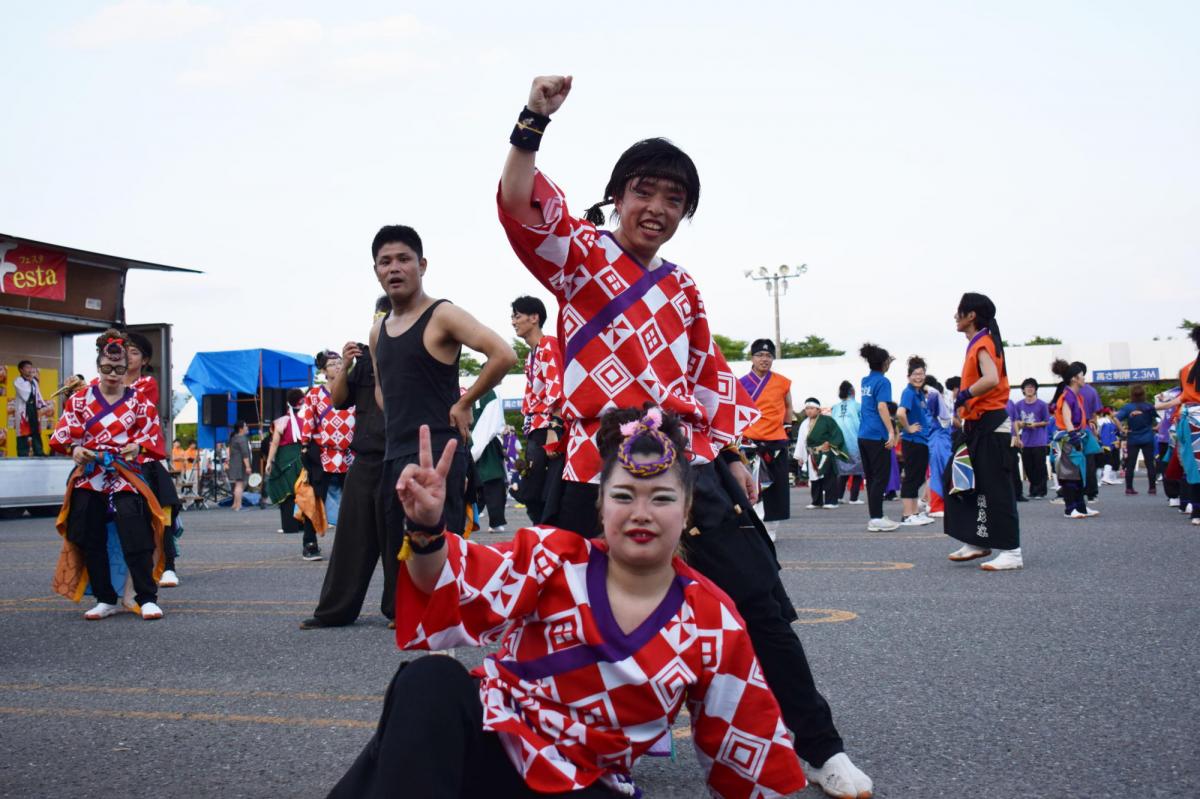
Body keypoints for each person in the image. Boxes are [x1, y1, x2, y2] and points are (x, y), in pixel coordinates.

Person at [497, 76, 871, 798]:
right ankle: (576, 753)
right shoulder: (576, 255)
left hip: (684, 466)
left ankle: (817, 744)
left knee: (759, 600)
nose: (659, 209)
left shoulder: (685, 288)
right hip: (589, 466)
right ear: (616, 196)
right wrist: (534, 118)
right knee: (568, 614)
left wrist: (728, 453)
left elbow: (708, 374)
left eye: (676, 200)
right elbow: (518, 200)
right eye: (646, 192)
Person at [328, 410, 807, 799]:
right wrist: (428, 531)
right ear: (601, 505)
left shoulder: (713, 622)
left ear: (686, 511)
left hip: (582, 782)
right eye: (623, 495)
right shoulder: (552, 557)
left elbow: (748, 754)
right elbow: (449, 583)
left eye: (661, 498)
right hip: (493, 743)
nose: (641, 513)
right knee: (429, 681)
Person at [369, 224, 516, 587]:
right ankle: (411, 627)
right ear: (376, 271)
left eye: (404, 259)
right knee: (398, 561)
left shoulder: (442, 314)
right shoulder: (377, 331)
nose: (394, 268)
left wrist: (466, 401)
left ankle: (445, 632)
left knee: (438, 557)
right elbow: (381, 388)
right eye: (385, 262)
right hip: (393, 453)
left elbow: (504, 354)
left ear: (422, 265)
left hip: (438, 452)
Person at [49, 330, 167, 620]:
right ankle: (104, 597)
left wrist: (137, 445)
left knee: (134, 529)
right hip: (90, 474)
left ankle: (145, 596)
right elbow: (62, 435)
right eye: (106, 368)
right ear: (98, 367)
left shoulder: (139, 400)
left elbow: (153, 436)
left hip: (125, 472)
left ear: (128, 369)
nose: (113, 374)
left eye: (119, 369)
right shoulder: (79, 400)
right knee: (90, 533)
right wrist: (75, 449)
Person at [302, 297, 395, 629]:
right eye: (376, 318)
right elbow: (339, 401)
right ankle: (335, 611)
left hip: (399, 457)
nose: (379, 324)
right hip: (365, 457)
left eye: (385, 317)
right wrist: (346, 366)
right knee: (351, 539)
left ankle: (399, 611)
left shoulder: (412, 354)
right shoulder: (364, 361)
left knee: (397, 538)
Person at [944, 293, 1022, 571]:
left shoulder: (984, 342)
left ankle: (1012, 552)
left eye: (959, 312)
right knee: (963, 481)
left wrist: (964, 394)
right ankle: (976, 541)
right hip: (977, 425)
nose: (955, 316)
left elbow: (990, 379)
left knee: (996, 489)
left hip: (991, 424)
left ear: (971, 316)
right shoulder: (978, 342)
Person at [295, 351, 356, 561]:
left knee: (354, 500)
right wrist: (305, 447)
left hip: (349, 455)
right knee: (315, 498)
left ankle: (351, 545)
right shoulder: (314, 394)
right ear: (323, 370)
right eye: (332, 364)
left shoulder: (352, 390)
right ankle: (309, 543)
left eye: (340, 362)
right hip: (322, 454)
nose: (338, 366)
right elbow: (308, 422)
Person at [511, 295, 563, 524]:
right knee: (536, 487)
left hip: (546, 426)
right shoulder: (532, 355)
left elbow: (558, 389)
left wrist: (554, 430)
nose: (513, 321)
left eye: (517, 316)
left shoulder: (548, 345)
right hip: (535, 426)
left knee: (539, 487)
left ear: (534, 318)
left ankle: (547, 531)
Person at [740, 338, 795, 532]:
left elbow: (788, 407)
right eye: (760, 355)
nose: (764, 359)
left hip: (776, 441)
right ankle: (751, 526)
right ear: (752, 358)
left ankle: (771, 528)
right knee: (749, 486)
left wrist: (787, 429)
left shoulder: (782, 382)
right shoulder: (741, 383)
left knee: (776, 488)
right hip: (749, 442)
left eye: (769, 356)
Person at [1156, 326, 1200, 526]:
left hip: (1188, 420)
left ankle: (1196, 510)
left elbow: (1183, 397)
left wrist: (1161, 405)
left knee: (1193, 466)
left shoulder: (1185, 370)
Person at [857, 343, 899, 532]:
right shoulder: (883, 381)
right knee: (880, 477)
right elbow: (882, 407)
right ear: (884, 363)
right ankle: (876, 518)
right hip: (877, 434)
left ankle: (876, 516)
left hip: (863, 433)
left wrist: (886, 360)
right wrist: (891, 431)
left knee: (872, 478)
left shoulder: (865, 380)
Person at [1049, 360, 1095, 519]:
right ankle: (1070, 509)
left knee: (1079, 474)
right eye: (1082, 376)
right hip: (1068, 438)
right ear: (1075, 378)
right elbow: (1067, 419)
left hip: (1075, 436)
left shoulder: (1076, 396)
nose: (1084, 379)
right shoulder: (1067, 395)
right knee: (1069, 474)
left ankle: (1081, 507)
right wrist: (1074, 437)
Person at [895, 357, 935, 526]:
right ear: (908, 376)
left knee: (918, 477)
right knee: (912, 477)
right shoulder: (909, 392)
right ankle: (907, 514)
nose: (918, 377)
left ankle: (915, 512)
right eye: (915, 374)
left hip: (922, 441)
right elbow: (900, 413)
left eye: (921, 374)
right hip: (912, 441)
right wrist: (908, 428)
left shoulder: (919, 393)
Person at [265, 388, 307, 537]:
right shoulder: (306, 421)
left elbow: (274, 444)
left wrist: (269, 461)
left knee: (286, 492)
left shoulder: (280, 422)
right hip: (302, 459)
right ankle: (303, 525)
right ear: (301, 403)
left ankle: (289, 526)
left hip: (284, 460)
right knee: (302, 492)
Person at [1117, 385, 1159, 495]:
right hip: (1148, 437)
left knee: (1130, 464)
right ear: (1143, 394)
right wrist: (1156, 428)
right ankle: (1152, 488)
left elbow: (1116, 418)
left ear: (1132, 395)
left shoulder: (1128, 407)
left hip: (1133, 438)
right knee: (1150, 463)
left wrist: (1123, 430)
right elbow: (1160, 418)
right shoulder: (1149, 406)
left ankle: (1129, 488)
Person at [804, 399, 846, 509]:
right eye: (807, 409)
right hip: (812, 454)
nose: (809, 411)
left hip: (825, 452)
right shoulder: (805, 423)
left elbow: (837, 433)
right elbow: (801, 441)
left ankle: (831, 501)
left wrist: (830, 443)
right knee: (815, 478)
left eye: (812, 408)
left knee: (829, 477)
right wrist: (801, 456)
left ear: (818, 409)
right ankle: (816, 501)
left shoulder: (827, 420)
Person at [922, 375, 953, 518]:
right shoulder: (944, 400)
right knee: (937, 473)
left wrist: (926, 387)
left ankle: (937, 505)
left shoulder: (935, 398)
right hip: (940, 440)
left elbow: (933, 395)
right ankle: (936, 504)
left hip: (938, 440)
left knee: (937, 474)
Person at [1014, 379, 1051, 499]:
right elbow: (1015, 421)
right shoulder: (1018, 405)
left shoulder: (1042, 404)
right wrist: (1021, 424)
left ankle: (1040, 491)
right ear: (1023, 390)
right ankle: (1033, 489)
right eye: (1027, 387)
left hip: (1039, 440)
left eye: (1032, 387)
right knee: (1028, 466)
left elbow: (1046, 421)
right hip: (1025, 440)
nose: (1029, 389)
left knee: (1040, 466)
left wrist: (1036, 424)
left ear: (1035, 389)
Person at [831, 381, 864, 505]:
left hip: (840, 443)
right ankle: (854, 498)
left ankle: (839, 496)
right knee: (858, 470)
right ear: (852, 392)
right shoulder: (858, 406)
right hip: (855, 440)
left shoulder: (835, 407)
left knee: (843, 470)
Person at [13, 360, 51, 456]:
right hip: (24, 410)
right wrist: (30, 381)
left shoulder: (34, 381)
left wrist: (42, 405)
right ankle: (23, 453)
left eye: (31, 367)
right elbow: (25, 393)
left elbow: (37, 394)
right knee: (23, 432)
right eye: (27, 367)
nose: (30, 370)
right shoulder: (18, 381)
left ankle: (39, 451)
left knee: (36, 431)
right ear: (21, 370)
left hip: (33, 408)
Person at [227, 421, 252, 510]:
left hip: (234, 463)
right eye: (245, 426)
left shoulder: (234, 438)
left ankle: (235, 504)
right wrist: (248, 466)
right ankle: (239, 506)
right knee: (239, 485)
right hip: (240, 465)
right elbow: (245, 453)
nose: (247, 427)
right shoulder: (242, 438)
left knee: (237, 485)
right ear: (241, 429)